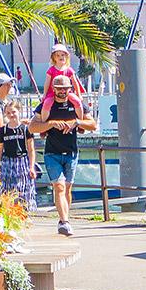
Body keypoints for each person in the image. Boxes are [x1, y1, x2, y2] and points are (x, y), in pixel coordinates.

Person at [31, 74, 94, 236]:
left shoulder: (76, 104)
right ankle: (64, 222)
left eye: (65, 89)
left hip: (71, 152)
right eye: (59, 89)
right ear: (53, 89)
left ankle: (64, 218)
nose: (62, 92)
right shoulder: (46, 106)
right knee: (58, 187)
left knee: (67, 189)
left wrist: (77, 122)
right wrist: (50, 124)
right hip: (52, 152)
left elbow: (92, 124)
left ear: (70, 89)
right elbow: (32, 127)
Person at [0, 98, 38, 210]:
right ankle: (8, 211)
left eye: (13, 112)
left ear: (19, 111)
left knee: (24, 187)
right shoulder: (2, 131)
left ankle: (26, 210)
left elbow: (31, 149)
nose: (11, 115)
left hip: (22, 160)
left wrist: (31, 167)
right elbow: (0, 150)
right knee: (7, 188)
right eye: (8, 113)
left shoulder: (26, 129)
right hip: (7, 161)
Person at [38, 43, 84, 115]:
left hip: (67, 93)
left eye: (62, 55)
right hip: (53, 93)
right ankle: (44, 120)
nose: (61, 57)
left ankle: (80, 119)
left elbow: (75, 83)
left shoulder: (69, 70)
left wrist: (79, 95)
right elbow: (47, 83)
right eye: (58, 55)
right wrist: (44, 95)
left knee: (77, 101)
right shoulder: (51, 70)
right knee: (47, 103)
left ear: (66, 57)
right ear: (54, 58)